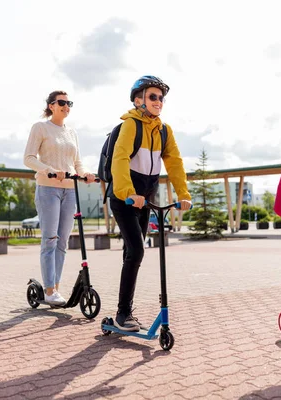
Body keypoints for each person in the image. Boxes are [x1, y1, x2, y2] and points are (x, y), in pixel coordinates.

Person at [108, 76, 192, 331]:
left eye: (161, 98)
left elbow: (174, 162)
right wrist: (127, 192)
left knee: (132, 253)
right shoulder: (130, 125)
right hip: (125, 199)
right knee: (136, 251)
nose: (158, 102)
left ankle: (123, 312)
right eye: (152, 97)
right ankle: (123, 315)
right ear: (138, 100)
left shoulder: (164, 130)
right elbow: (120, 158)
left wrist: (183, 194)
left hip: (146, 200)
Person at [23, 90, 96, 305]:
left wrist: (86, 174)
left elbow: (77, 163)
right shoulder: (40, 127)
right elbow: (28, 158)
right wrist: (50, 170)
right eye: (62, 102)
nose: (66, 106)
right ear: (51, 106)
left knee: (63, 241)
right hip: (48, 188)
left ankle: (55, 288)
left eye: (69, 102)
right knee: (50, 240)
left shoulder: (72, 133)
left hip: (70, 189)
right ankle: (48, 289)